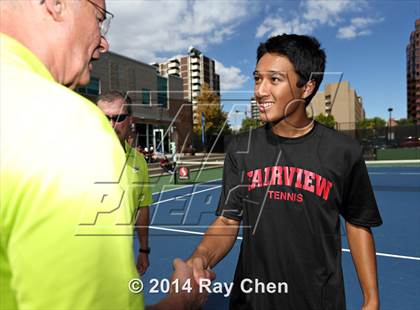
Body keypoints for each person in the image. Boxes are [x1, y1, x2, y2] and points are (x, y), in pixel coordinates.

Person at [0, 0, 210, 309]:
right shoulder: (72, 126)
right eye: (100, 18)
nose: (103, 42)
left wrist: (143, 249)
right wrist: (182, 298)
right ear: (57, 4)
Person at [187, 34, 382, 310]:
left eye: (274, 80)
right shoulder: (241, 149)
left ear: (307, 87)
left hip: (319, 301)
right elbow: (228, 221)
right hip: (251, 301)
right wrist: (201, 257)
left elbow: (357, 222)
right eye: (257, 78)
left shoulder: (343, 150)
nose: (260, 91)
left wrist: (371, 299)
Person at [96, 91, 152, 276]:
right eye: (104, 118)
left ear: (130, 120)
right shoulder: (77, 156)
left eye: (118, 118)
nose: (111, 124)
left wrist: (144, 250)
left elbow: (141, 209)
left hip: (122, 259)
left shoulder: (139, 161)